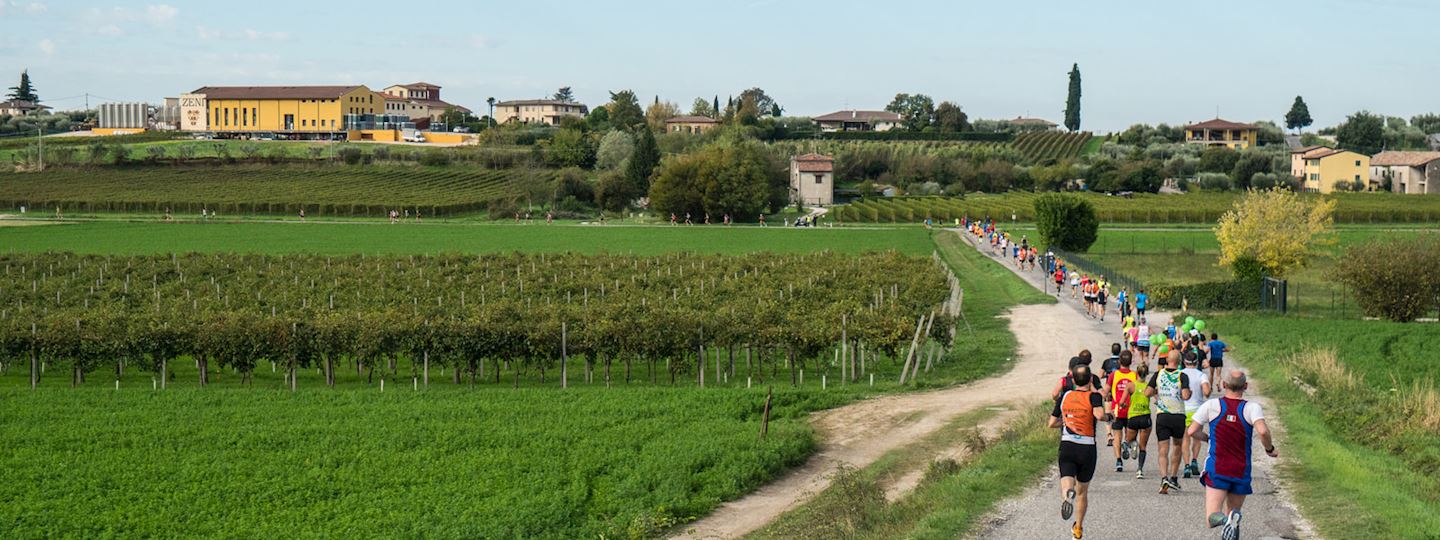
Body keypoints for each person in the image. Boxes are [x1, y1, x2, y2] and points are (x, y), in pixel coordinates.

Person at [1187, 370, 1277, 540]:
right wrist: (1269, 449)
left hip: (1217, 467)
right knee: (1233, 519)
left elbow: (1192, 431)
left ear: (1223, 385)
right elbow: (1263, 431)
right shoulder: (1252, 408)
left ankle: (1226, 520)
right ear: (1246, 386)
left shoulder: (1212, 405)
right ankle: (1230, 520)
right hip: (1240, 469)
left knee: (1212, 517)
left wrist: (1207, 438)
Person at [1050, 365, 1108, 540]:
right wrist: (1108, 417)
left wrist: (1067, 422)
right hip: (1087, 448)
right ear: (1090, 379)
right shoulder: (1094, 396)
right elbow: (1098, 415)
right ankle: (1078, 528)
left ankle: (1067, 494)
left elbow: (1051, 423)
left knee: (1067, 479)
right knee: (1082, 491)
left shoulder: (1064, 396)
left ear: (1073, 380)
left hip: (1068, 445)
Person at [1147, 350, 1193, 494]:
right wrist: (1189, 392)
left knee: (1163, 449)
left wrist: (1157, 393)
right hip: (1178, 415)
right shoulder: (1182, 375)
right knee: (1177, 446)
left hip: (1163, 415)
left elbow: (1147, 393)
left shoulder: (1158, 374)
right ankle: (1173, 477)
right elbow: (1185, 396)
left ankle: (1164, 478)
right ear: (1179, 362)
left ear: (1167, 360)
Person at [1180, 350, 1213, 479]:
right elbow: (1206, 392)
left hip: (1183, 409)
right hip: (1198, 411)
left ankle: (1186, 465)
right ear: (1197, 362)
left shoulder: (1181, 374)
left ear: (1184, 362)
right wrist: (1208, 390)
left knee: (1185, 439)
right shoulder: (1201, 375)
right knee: (1197, 438)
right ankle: (1194, 460)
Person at [1107, 350, 1138, 471]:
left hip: (1117, 410)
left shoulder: (1113, 375)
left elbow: (1107, 390)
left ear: (1119, 361)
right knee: (1130, 434)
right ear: (1131, 362)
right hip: (1131, 410)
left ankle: (1119, 461)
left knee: (1116, 436)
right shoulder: (1134, 375)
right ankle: (1128, 443)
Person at [1123, 361, 1153, 479]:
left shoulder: (1130, 385)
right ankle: (1140, 470)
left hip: (1133, 416)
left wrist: (1123, 406)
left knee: (1128, 439)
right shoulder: (1149, 387)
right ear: (1146, 374)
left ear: (1136, 373)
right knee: (1143, 446)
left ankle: (1130, 444)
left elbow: (1122, 402)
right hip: (1145, 416)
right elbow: (1156, 397)